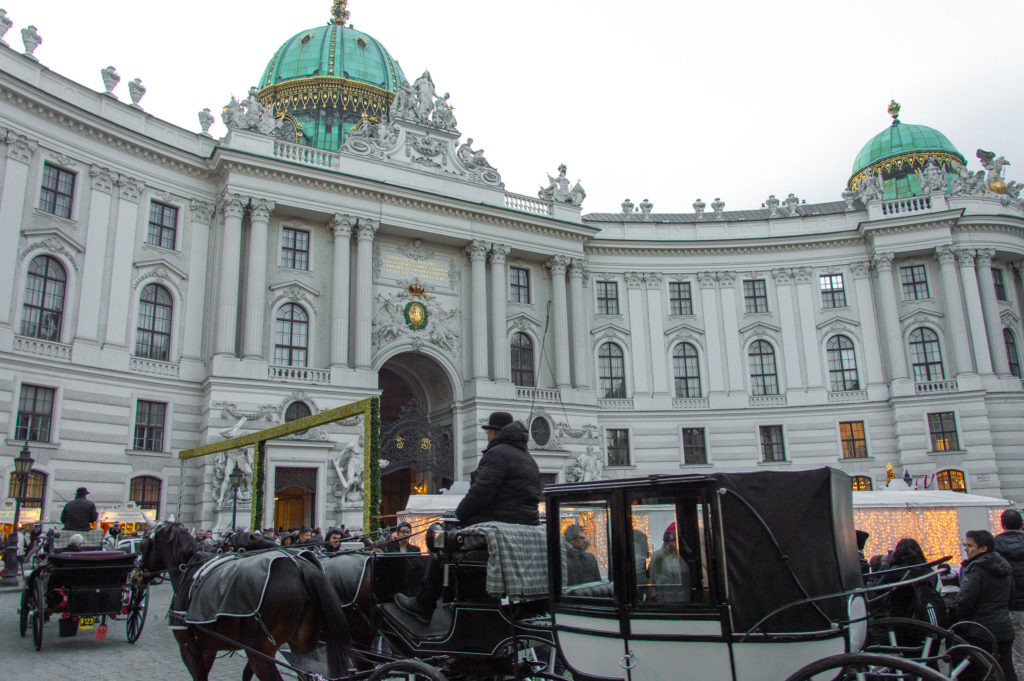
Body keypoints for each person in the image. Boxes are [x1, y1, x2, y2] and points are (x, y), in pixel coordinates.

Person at [395, 411, 541, 623]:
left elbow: (481, 492)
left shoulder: (497, 454)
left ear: (494, 432)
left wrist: (457, 516)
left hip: (498, 525)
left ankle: (423, 605)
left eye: (488, 432)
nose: (487, 436)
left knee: (442, 544)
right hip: (522, 528)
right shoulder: (529, 459)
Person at [956, 529, 1018, 681]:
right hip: (1003, 626)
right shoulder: (1003, 565)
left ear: (983, 548)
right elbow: (1011, 597)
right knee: (1006, 669)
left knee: (982, 671)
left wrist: (958, 616)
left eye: (970, 546)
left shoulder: (977, 568)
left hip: (981, 629)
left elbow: (965, 600)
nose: (966, 549)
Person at [996, 509, 1024, 672]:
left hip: (1013, 605)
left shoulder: (995, 545)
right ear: (1021, 524)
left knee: (1019, 654)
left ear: (1003, 524)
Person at [649, 522, 691, 603]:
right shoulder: (658, 557)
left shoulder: (678, 556)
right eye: (676, 541)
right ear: (669, 541)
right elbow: (656, 584)